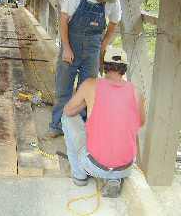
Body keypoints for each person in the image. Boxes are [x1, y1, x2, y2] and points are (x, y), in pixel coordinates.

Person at [60, 47, 145, 197]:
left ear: (104, 65)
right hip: (125, 167)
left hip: (95, 166)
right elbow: (140, 123)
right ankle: (115, 179)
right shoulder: (136, 92)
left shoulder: (91, 84)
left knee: (66, 118)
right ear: (124, 69)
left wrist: (86, 102)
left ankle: (79, 174)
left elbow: (68, 110)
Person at [48, 0, 122, 138]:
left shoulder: (112, 0)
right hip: (72, 43)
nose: (106, 0)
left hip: (93, 48)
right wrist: (66, 48)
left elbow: (114, 22)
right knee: (63, 88)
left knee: (87, 89)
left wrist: (103, 45)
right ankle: (57, 125)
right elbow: (63, 19)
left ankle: (78, 128)